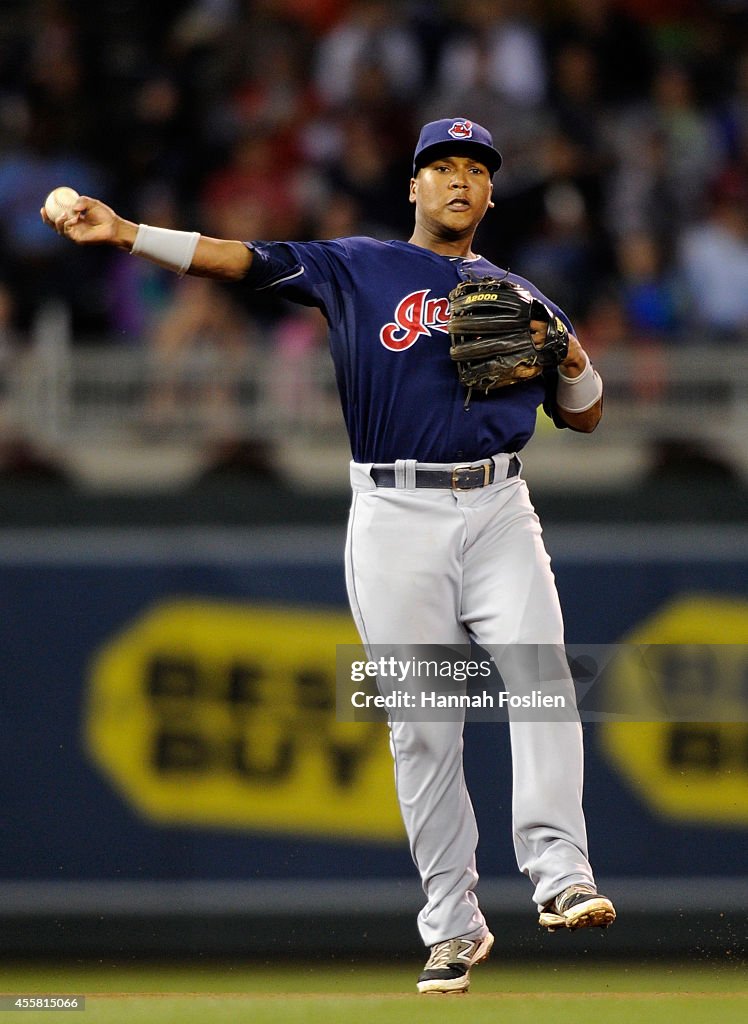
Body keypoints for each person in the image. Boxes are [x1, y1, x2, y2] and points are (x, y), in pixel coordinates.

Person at [42, 116, 615, 995]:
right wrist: (128, 233)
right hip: (395, 511)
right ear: (414, 187)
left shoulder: (522, 293)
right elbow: (242, 257)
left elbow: (583, 412)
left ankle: (561, 874)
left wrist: (570, 353)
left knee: (541, 682)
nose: (460, 180)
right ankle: (454, 925)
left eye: (475, 168)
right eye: (443, 166)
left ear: (492, 193)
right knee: (424, 729)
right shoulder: (358, 266)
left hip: (502, 504)